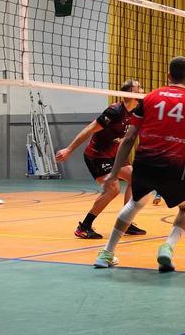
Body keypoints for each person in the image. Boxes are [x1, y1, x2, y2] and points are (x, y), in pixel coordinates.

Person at [95, 56, 185, 272]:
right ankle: (167, 247)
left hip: (144, 163)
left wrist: (115, 171)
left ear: (168, 76)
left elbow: (129, 138)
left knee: (135, 203)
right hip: (173, 168)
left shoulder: (148, 98)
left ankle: (106, 253)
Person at [54, 80, 147, 239]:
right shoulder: (115, 111)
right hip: (96, 156)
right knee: (113, 189)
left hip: (114, 155)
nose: (143, 90)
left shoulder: (137, 110)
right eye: (139, 88)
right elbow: (90, 129)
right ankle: (84, 227)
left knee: (137, 179)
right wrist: (69, 149)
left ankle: (126, 222)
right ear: (130, 92)